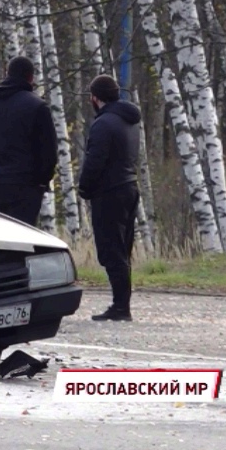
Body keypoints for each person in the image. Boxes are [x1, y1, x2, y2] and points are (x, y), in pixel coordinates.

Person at [77, 74, 141, 322]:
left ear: (95, 97)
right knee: (123, 249)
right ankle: (121, 303)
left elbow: (95, 160)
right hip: (129, 187)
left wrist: (84, 187)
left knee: (111, 250)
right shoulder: (129, 121)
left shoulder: (103, 124)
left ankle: (120, 307)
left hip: (109, 191)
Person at [0, 56, 57, 227]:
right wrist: (41, 180)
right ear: (31, 78)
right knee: (24, 238)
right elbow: (49, 153)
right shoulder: (37, 107)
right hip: (26, 185)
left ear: (7, 73)